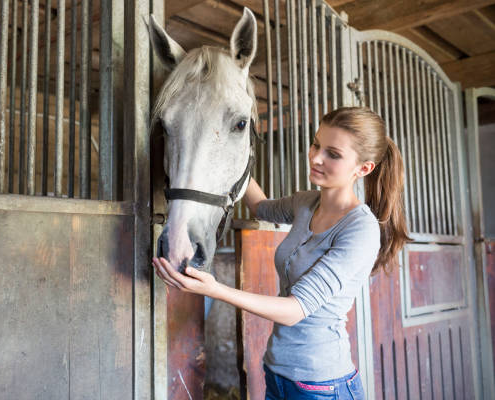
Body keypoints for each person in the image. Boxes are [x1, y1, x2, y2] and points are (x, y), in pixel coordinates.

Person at [152, 106, 411, 399]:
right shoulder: (306, 203)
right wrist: (227, 151)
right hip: (277, 374)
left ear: (363, 169)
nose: (315, 157)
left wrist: (215, 289)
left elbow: (294, 310)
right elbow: (260, 207)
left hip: (321, 386)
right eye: (316, 144)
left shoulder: (360, 229)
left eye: (333, 154)